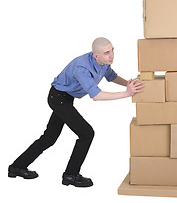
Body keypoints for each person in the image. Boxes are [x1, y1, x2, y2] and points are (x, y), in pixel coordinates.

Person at [8, 37, 144, 187]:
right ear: (96, 56)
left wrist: (129, 84)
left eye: (112, 50)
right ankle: (71, 175)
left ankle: (17, 167)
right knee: (86, 133)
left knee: (49, 137)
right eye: (107, 53)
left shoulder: (104, 63)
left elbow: (111, 77)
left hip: (65, 98)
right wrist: (127, 93)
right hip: (58, 98)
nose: (112, 55)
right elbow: (96, 96)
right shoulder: (82, 67)